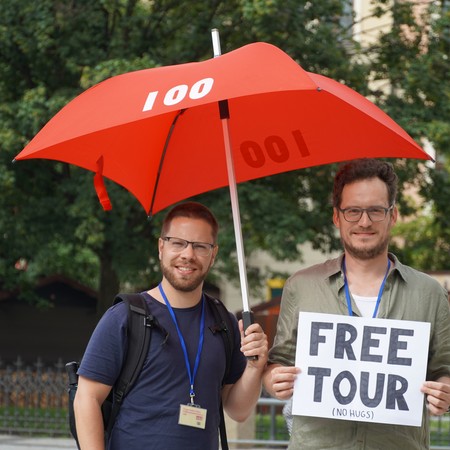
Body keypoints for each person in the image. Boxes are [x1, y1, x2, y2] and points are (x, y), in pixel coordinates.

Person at [263, 158, 450, 449]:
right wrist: (274, 378)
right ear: (337, 217)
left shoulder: (429, 293)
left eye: (376, 210)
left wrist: (445, 392)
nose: (364, 222)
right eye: (353, 211)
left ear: (393, 215)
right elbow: (278, 362)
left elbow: (443, 369)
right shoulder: (301, 286)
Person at [74, 201, 268, 450]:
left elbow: (237, 410)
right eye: (178, 243)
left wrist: (254, 367)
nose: (188, 254)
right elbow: (86, 398)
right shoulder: (125, 317)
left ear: (214, 254)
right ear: (161, 247)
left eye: (200, 246)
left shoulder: (224, 322)